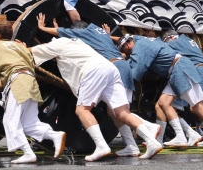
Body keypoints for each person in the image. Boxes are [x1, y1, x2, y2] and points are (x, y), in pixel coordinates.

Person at [37, 15, 160, 158]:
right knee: (113, 111)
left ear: (78, 30)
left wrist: (42, 28)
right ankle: (132, 146)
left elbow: (64, 35)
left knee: (117, 111)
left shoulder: (83, 33)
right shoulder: (98, 31)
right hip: (119, 66)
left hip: (113, 66)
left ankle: (149, 127)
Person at [118, 35, 203, 152]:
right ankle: (180, 136)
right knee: (163, 103)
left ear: (127, 44)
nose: (127, 53)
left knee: (197, 107)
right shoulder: (144, 40)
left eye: (125, 50)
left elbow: (136, 69)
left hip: (180, 69)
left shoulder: (140, 46)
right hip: (175, 70)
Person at [0, 20, 65, 164]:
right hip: (31, 82)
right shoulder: (21, 46)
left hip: (18, 82)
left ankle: (28, 153)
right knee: (29, 122)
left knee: (10, 120)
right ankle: (54, 135)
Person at [162, 31, 203, 148]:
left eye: (167, 41)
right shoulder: (187, 40)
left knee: (196, 107)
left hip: (198, 71)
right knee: (197, 108)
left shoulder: (176, 42)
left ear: (171, 37)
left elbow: (160, 49)